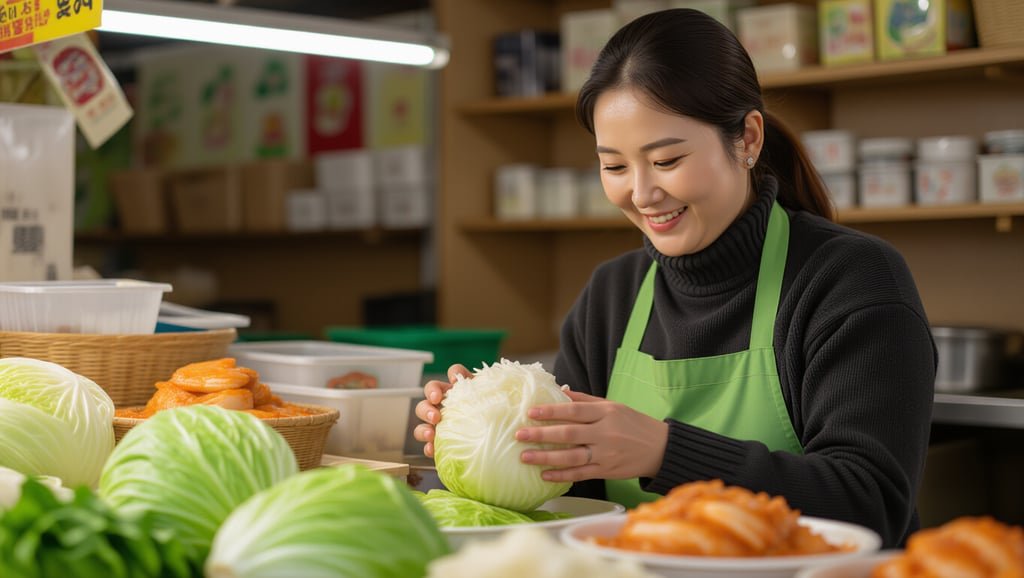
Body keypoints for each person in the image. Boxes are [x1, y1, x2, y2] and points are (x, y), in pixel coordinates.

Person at [414, 8, 935, 548]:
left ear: (747, 140)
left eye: (666, 160)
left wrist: (664, 451)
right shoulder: (611, 295)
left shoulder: (849, 280)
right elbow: (576, 500)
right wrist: (492, 432)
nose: (640, 193)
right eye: (614, 167)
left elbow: (872, 504)